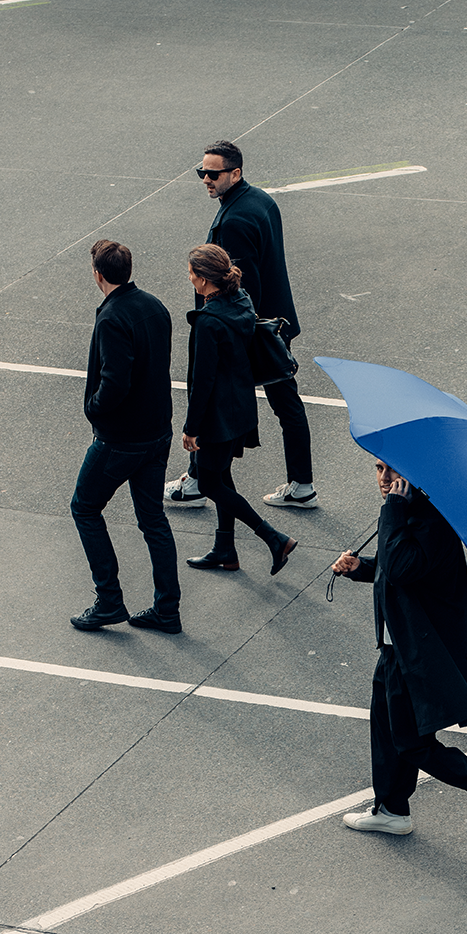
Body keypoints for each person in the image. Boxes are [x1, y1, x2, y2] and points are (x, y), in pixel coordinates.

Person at [331, 459, 467, 849]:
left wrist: (393, 512)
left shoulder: (429, 521)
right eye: (377, 469)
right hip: (398, 648)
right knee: (386, 730)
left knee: (411, 743)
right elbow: (400, 568)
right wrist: (360, 568)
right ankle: (391, 809)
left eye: (392, 471)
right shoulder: (413, 514)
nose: (384, 479)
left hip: (416, 654)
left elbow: (403, 567)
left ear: (415, 476)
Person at [165, 140, 317, 511]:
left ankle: (199, 480)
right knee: (287, 403)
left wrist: (224, 334)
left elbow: (242, 286)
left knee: (215, 400)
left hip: (251, 333)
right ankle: (302, 483)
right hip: (275, 324)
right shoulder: (260, 200)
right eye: (202, 172)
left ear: (235, 173)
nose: (206, 179)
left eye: (213, 173)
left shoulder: (233, 221)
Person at [70, 240, 182, 634]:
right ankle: (167, 609)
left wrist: (94, 407)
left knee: (84, 508)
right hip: (157, 431)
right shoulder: (154, 306)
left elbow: (115, 382)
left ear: (98, 275)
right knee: (153, 519)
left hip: (120, 438)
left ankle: (109, 600)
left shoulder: (112, 318)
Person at [182, 244, 297, 576]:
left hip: (217, 416)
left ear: (204, 279)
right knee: (222, 475)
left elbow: (202, 380)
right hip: (241, 408)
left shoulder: (208, 322)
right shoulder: (241, 301)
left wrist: (191, 427)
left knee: (209, 483)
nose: (189, 278)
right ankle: (225, 550)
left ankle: (274, 538)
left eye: (191, 273)